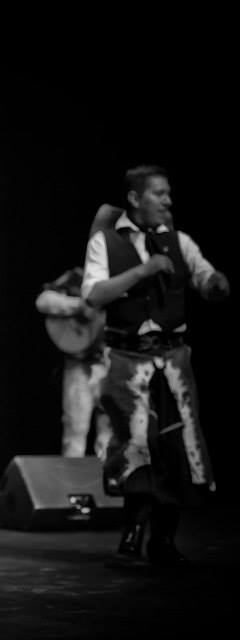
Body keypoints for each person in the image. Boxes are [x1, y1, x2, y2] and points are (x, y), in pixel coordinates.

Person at [82, 165, 229, 568]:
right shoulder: (106, 242)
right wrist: (142, 271)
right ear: (135, 198)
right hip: (128, 360)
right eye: (159, 194)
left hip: (173, 362)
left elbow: (204, 277)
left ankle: (163, 539)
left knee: (174, 449)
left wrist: (215, 284)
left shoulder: (179, 242)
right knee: (136, 445)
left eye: (168, 194)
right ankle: (133, 529)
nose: (168, 201)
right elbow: (94, 295)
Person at [36, 266, 111, 459]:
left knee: (110, 432)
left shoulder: (121, 277)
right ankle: (71, 477)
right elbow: (43, 301)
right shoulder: (77, 276)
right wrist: (79, 306)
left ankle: (107, 476)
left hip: (113, 363)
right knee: (75, 428)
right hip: (80, 363)